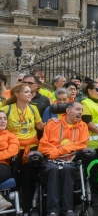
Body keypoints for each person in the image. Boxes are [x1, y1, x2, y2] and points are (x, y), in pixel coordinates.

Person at [1, 83, 47, 214]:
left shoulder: (33, 108)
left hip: (31, 148)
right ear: (17, 94)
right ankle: (13, 208)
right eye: (26, 92)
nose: (30, 94)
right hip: (13, 148)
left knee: (28, 178)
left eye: (30, 92)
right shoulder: (7, 109)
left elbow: (39, 126)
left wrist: (50, 122)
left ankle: (27, 208)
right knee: (15, 179)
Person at [38, 101, 89, 216]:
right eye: (77, 109)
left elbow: (83, 144)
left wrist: (62, 151)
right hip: (51, 159)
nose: (81, 112)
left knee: (66, 168)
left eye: (81, 110)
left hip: (71, 160)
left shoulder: (83, 126)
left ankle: (68, 209)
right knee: (53, 169)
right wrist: (55, 153)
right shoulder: (52, 124)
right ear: (68, 111)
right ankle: (52, 210)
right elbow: (43, 144)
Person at [0, 110, 20, 211]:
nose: (3, 121)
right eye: (0, 119)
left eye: (5, 118)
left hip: (2, 165)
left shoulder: (11, 136)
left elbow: (12, 151)